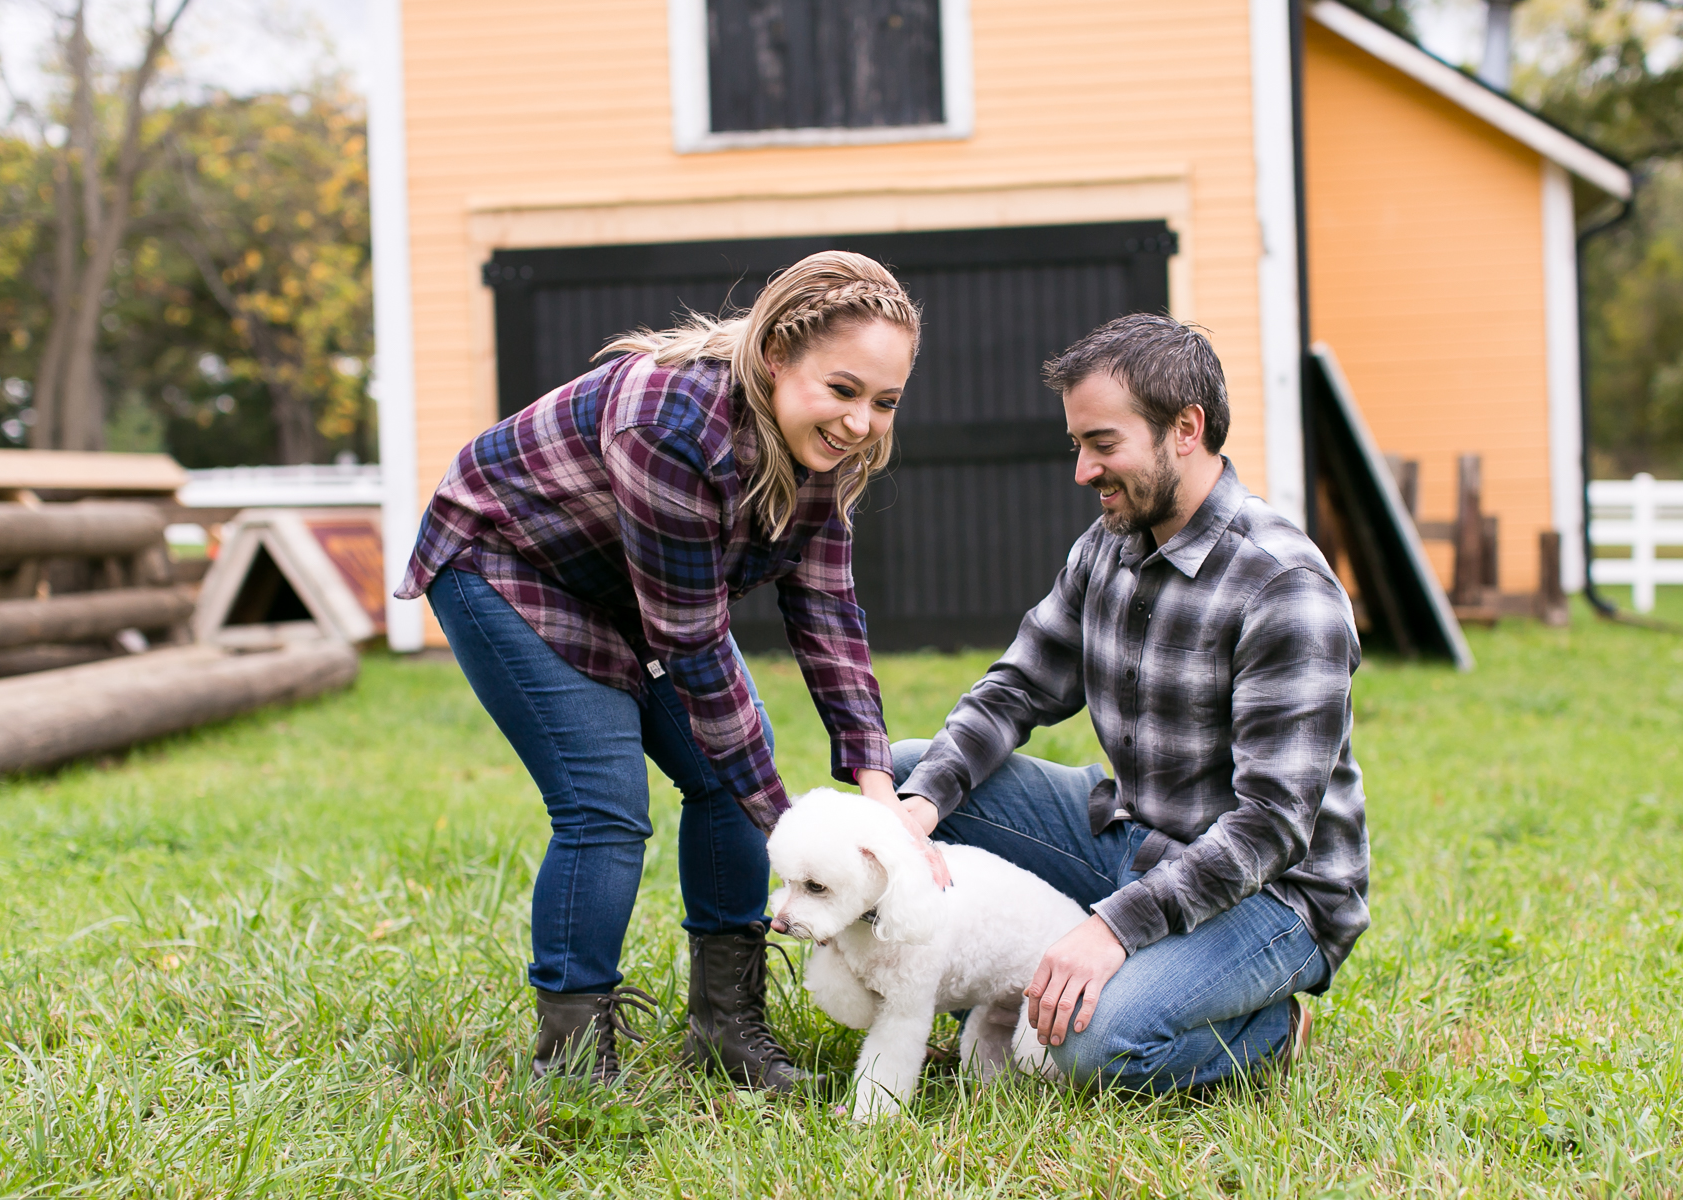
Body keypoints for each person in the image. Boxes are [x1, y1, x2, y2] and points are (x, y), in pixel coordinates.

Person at [396, 251, 942, 1092]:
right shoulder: (672, 425)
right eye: (842, 389)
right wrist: (797, 841)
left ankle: (727, 1026)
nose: (861, 421)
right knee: (605, 803)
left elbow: (827, 612)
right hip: (508, 563)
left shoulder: (823, 455)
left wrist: (876, 794)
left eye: (884, 401)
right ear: (775, 358)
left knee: (722, 775)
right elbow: (690, 644)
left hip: (632, 586)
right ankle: (573, 1067)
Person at [893, 312, 1370, 1093]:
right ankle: (1059, 965)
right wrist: (916, 810)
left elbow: (1272, 827)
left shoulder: (1285, 588)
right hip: (1131, 836)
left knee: (1086, 1052)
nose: (1082, 470)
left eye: (1102, 444)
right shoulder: (1107, 547)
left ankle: (1269, 1026)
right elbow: (1017, 687)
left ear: (1187, 428)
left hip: (1270, 892)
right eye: (1077, 444)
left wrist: (1113, 927)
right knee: (914, 774)